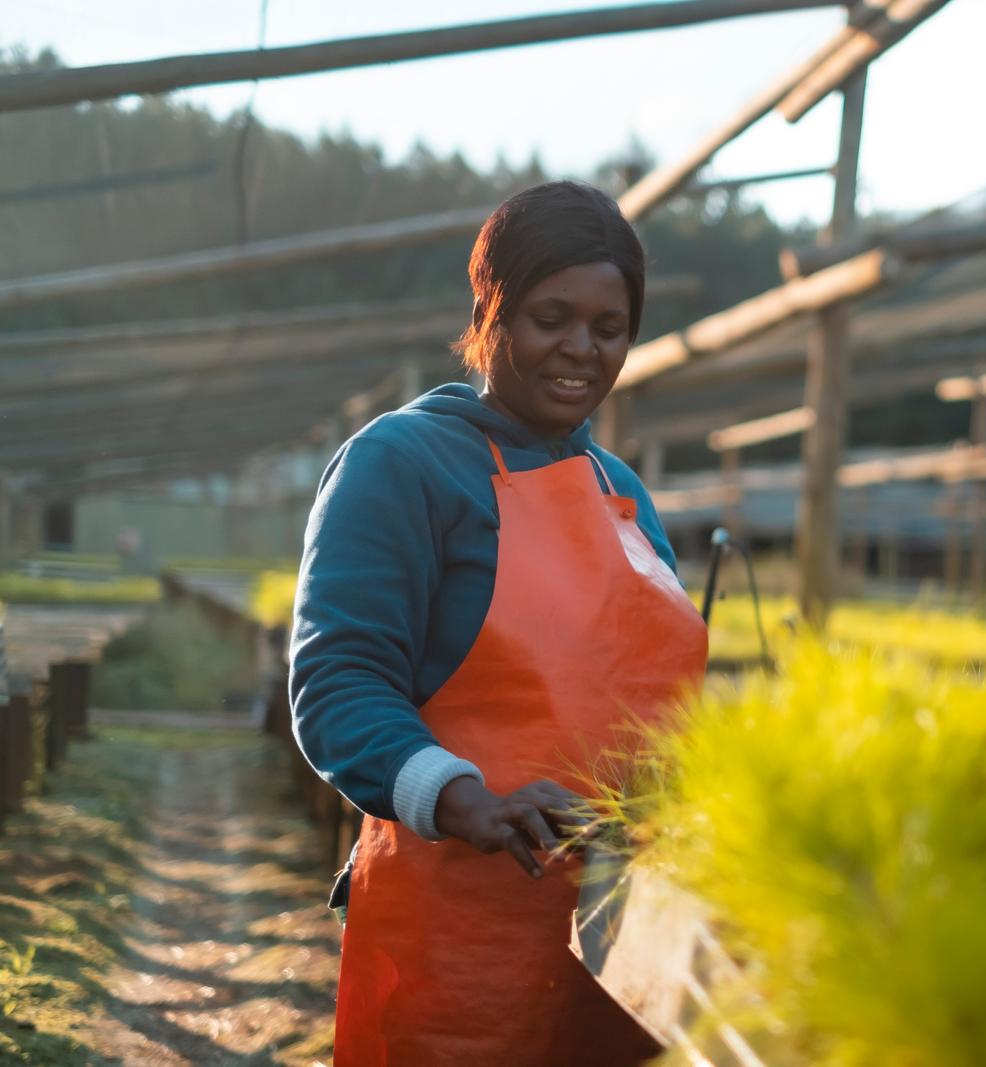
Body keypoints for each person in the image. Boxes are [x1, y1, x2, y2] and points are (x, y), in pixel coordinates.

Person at [289, 180, 708, 1064]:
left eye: (609, 326)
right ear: (491, 311)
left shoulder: (621, 492)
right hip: (459, 934)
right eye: (551, 316)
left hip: (622, 933)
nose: (581, 350)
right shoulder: (399, 464)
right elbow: (339, 684)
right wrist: (464, 797)